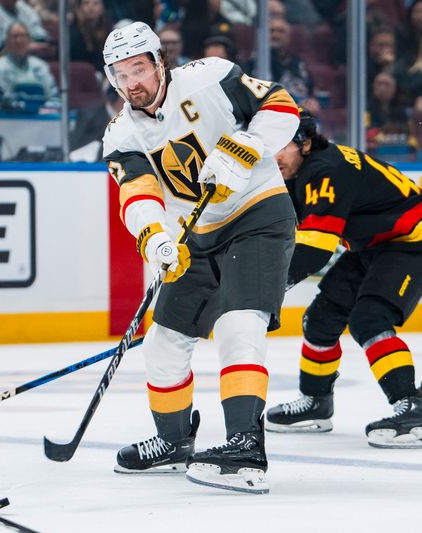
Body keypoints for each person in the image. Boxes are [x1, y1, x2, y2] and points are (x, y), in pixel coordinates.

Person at [102, 21, 299, 494]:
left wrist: (245, 146)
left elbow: (282, 106)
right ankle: (173, 442)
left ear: (158, 62)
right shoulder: (120, 134)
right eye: (120, 74)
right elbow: (138, 192)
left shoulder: (211, 77)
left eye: (138, 69)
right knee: (164, 340)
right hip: (195, 237)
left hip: (257, 214)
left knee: (238, 325)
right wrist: (155, 238)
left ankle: (245, 447)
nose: (132, 83)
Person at [267, 109, 422, 449]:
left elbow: (314, 251)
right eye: (269, 145)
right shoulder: (303, 168)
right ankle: (316, 403)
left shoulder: (322, 170)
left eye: (282, 146)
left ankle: (411, 410)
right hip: (375, 244)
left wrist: (264, 291)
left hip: (413, 242)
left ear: (305, 143)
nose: (274, 155)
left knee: (370, 320)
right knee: (320, 318)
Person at [0, 22, 59, 112]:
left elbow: (54, 98)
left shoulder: (41, 66)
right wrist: (32, 110)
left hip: (42, 119)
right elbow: (2, 102)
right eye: (14, 37)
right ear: (6, 41)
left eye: (23, 36)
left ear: (29, 40)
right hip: (10, 119)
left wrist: (47, 110)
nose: (19, 41)